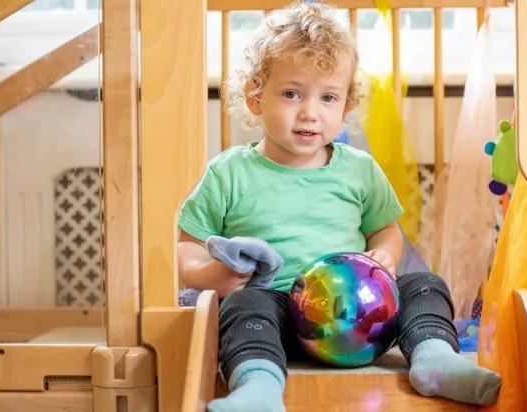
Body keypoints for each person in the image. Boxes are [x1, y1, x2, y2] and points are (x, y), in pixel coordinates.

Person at [176, 2, 502, 411]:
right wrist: (211, 276)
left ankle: (435, 358)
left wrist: (386, 254)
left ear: (345, 108)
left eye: (328, 97)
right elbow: (187, 246)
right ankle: (258, 384)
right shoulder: (228, 173)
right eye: (292, 93)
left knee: (425, 285)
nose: (310, 112)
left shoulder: (359, 170)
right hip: (277, 310)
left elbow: (385, 230)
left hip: (362, 313)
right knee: (243, 306)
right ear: (255, 97)